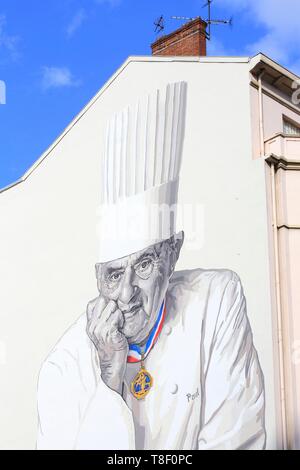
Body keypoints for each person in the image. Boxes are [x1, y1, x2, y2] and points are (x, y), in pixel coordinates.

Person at [36, 82, 266, 450]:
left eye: (143, 265)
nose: (125, 294)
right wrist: (109, 380)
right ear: (97, 275)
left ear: (172, 255)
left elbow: (237, 439)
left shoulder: (217, 300)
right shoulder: (62, 367)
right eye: (113, 274)